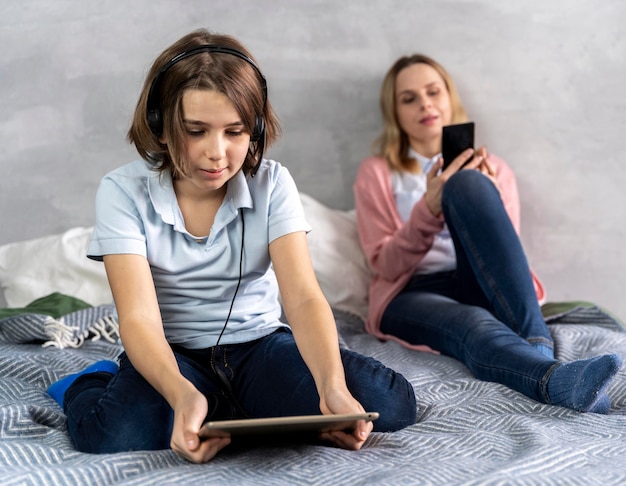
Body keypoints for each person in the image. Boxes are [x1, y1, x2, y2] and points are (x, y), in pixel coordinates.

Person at [47, 29, 417, 464]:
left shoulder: (273, 183)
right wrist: (182, 397)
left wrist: (331, 387)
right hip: (174, 356)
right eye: (197, 131)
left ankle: (230, 408)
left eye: (235, 132)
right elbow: (139, 318)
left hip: (259, 346)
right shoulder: (121, 191)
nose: (216, 153)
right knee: (110, 434)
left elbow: (302, 297)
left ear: (255, 130)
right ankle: (89, 382)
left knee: (389, 404)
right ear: (160, 126)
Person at [353, 53, 623, 415]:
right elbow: (385, 266)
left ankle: (540, 355)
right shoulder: (377, 173)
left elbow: (504, 259)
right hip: (412, 292)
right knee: (475, 324)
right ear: (395, 113)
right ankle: (551, 375)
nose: (425, 104)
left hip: (479, 280)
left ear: (450, 98)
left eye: (434, 92)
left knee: (468, 183)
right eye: (409, 98)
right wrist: (428, 210)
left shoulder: (493, 168)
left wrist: (483, 198)